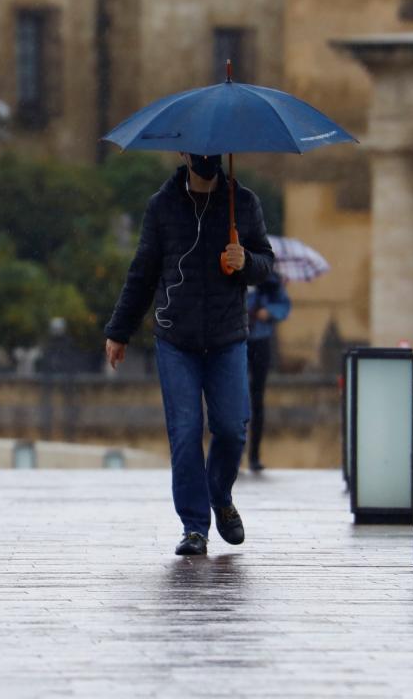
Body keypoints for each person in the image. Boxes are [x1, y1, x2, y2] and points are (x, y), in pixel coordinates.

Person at [104, 153, 275, 556]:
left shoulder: (243, 203)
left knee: (232, 428)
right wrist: (119, 330)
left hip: (227, 336)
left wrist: (245, 260)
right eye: (199, 149)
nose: (207, 157)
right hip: (175, 339)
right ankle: (195, 526)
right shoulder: (162, 206)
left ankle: (220, 496)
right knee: (184, 433)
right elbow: (143, 272)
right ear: (184, 153)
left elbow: (266, 263)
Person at [244, 271, 291, 473]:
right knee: (234, 398)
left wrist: (268, 312)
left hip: (260, 341)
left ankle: (254, 454)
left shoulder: (271, 282)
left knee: (257, 399)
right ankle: (234, 454)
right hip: (236, 340)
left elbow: (283, 306)